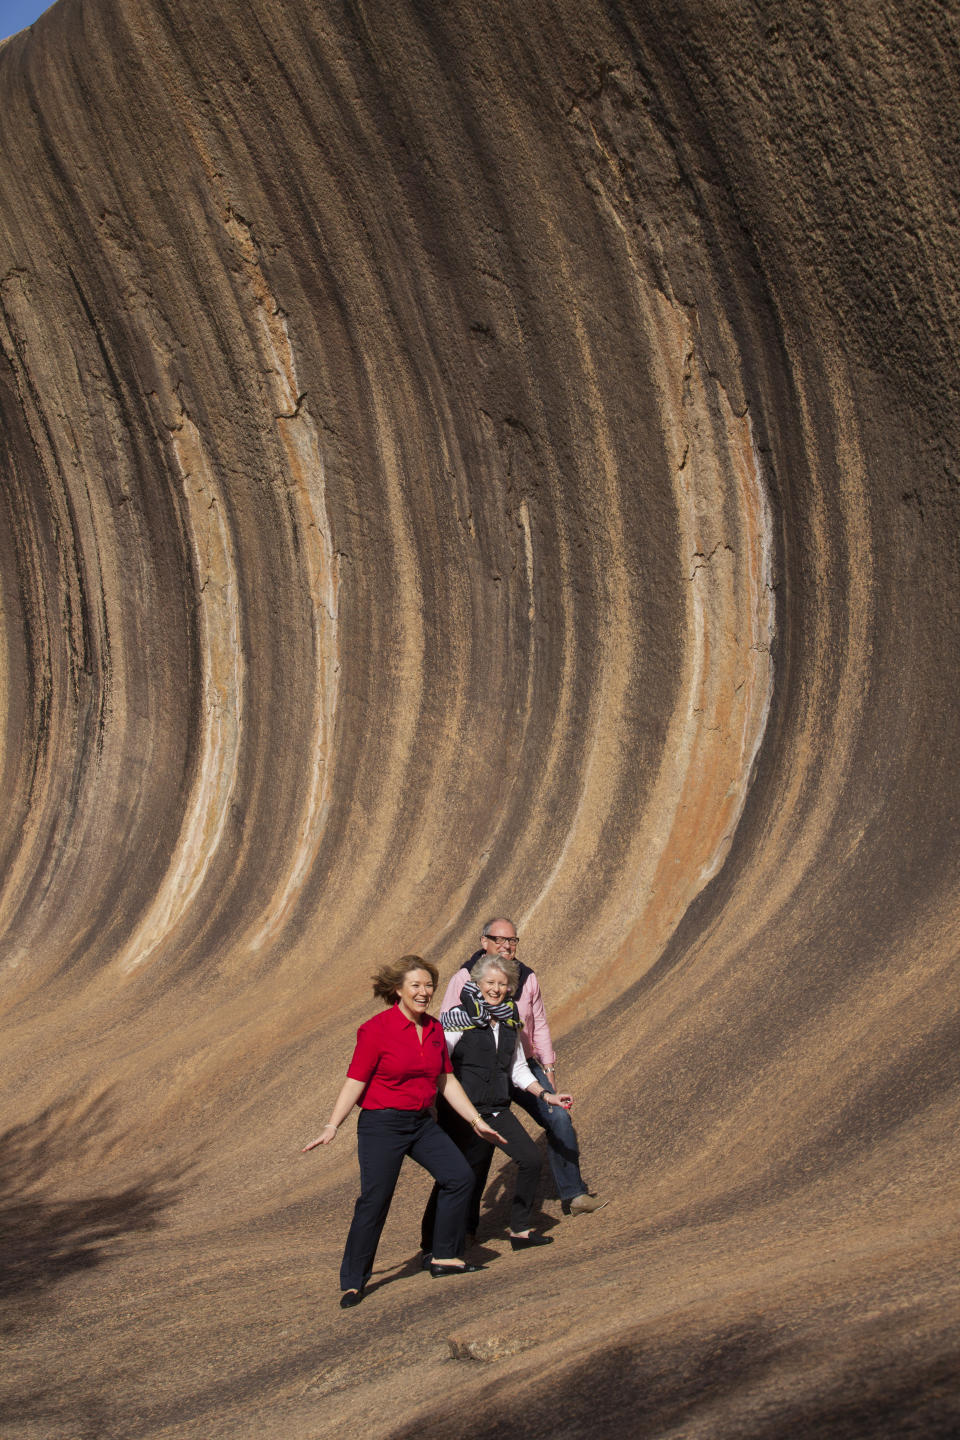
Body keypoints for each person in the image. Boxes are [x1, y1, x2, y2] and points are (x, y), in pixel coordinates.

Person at [303, 955, 504, 1309]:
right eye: (416, 985)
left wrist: (476, 1121)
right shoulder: (375, 1029)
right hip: (382, 1125)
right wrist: (332, 1125)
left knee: (459, 1176)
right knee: (375, 1200)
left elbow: (446, 1080)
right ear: (397, 989)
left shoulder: (434, 1029)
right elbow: (355, 1080)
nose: (424, 992)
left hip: (422, 1123)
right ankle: (353, 1280)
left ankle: (443, 1256)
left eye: (429, 985)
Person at [440, 918, 604, 1216]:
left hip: (521, 1065)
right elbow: (447, 1026)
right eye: (499, 939)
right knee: (480, 1144)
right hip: (480, 1070)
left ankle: (574, 1195)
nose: (506, 946)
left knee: (559, 1118)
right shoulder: (463, 978)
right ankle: (466, 1221)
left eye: (512, 941)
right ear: (483, 941)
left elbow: (537, 1023)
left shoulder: (526, 977)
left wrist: (549, 1068)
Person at [420, 952, 574, 1256]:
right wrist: (431, 1103)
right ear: (477, 983)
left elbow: (516, 1069)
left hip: (497, 1109)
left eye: (502, 984)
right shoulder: (456, 1022)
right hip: (463, 1111)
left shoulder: (510, 1023)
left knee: (530, 1160)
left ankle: (520, 1230)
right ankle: (433, 1244)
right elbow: (437, 1065)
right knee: (459, 1175)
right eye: (490, 982)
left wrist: (546, 1095)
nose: (495, 988)